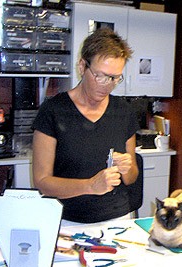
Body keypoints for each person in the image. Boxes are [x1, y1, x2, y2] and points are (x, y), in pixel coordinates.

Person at [32, 28, 140, 223]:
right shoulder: (53, 111)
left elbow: (131, 178)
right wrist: (90, 186)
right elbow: (42, 182)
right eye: (101, 76)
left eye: (115, 78)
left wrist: (127, 168)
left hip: (117, 219)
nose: (107, 84)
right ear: (82, 66)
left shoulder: (124, 111)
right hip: (67, 220)